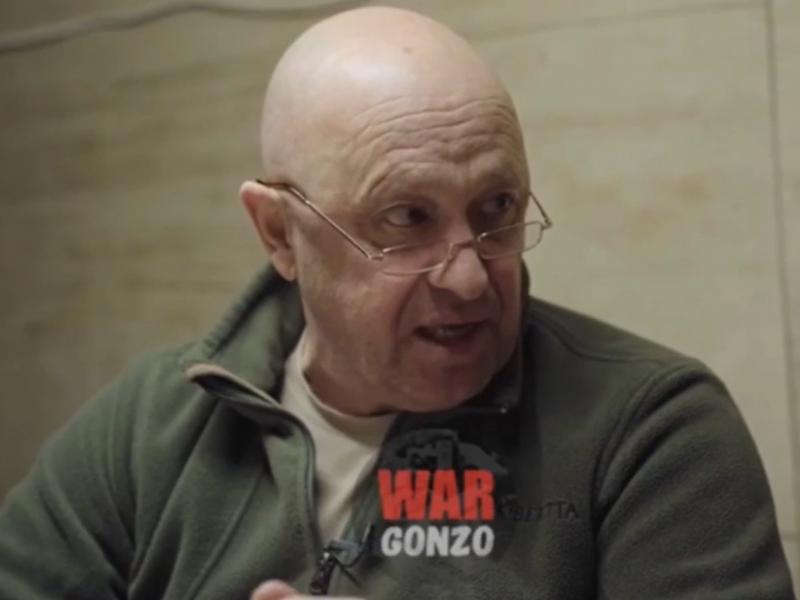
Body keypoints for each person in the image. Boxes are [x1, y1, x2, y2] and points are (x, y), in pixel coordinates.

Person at [0, 6, 794, 600]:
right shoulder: (147, 432)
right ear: (280, 232)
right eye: (407, 219)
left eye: (497, 209)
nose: (469, 279)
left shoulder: (647, 431)